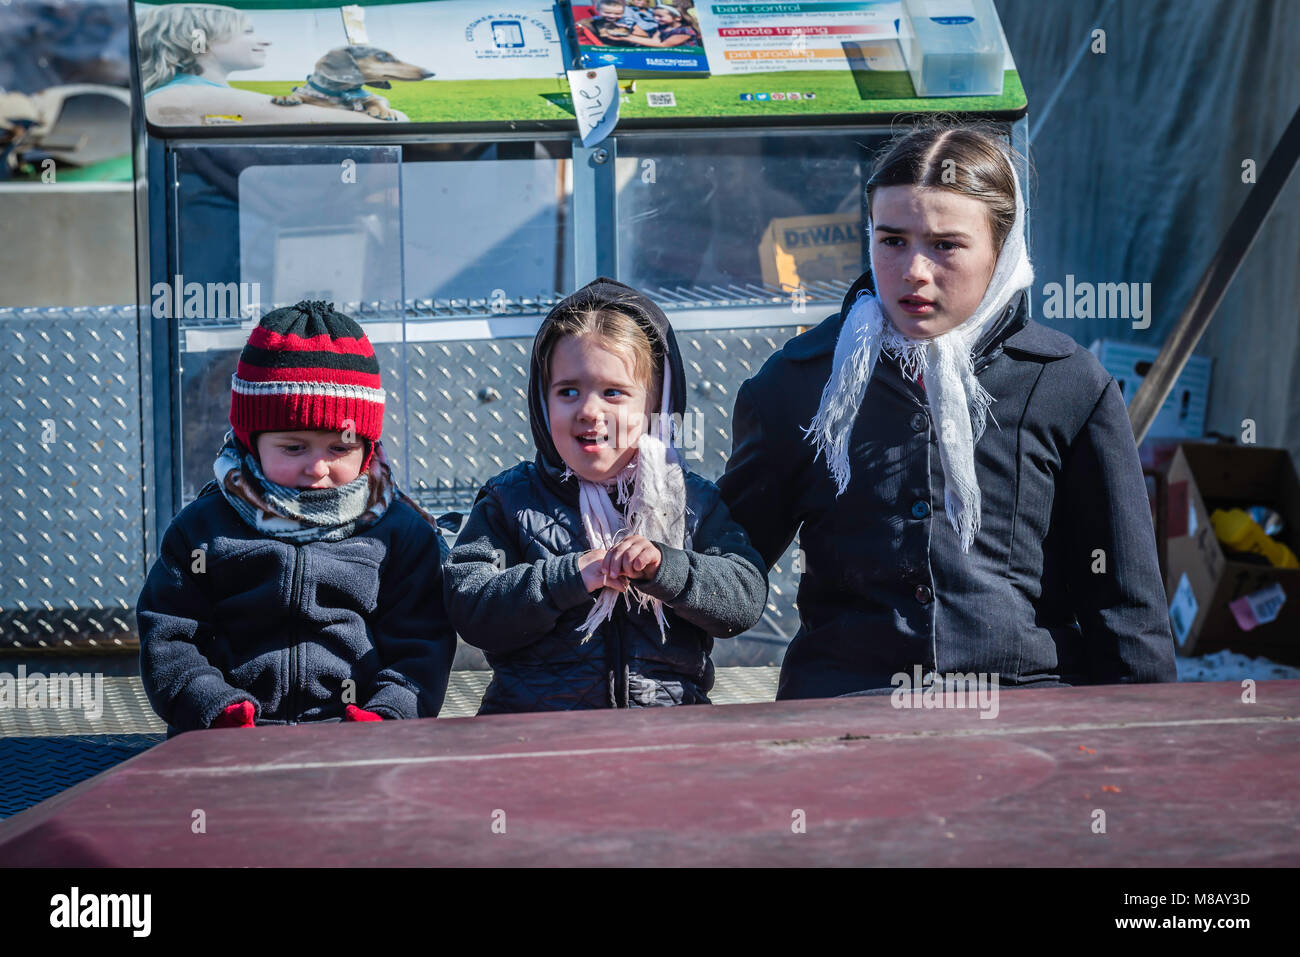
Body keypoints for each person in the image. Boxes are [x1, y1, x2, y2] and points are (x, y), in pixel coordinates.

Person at [717, 121, 1178, 700]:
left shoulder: (1067, 386)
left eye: (945, 245)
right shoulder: (797, 385)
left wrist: (1144, 741)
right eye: (892, 241)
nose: (914, 271)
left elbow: (1125, 604)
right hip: (843, 715)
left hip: (1024, 711)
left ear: (1001, 250)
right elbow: (726, 571)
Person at [444, 277, 768, 713]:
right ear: (542, 403)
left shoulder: (692, 501)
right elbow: (472, 607)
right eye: (567, 391)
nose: (588, 411)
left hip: (666, 737)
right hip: (533, 741)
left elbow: (742, 598)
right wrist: (568, 578)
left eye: (613, 392)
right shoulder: (510, 500)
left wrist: (665, 567)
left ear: (655, 405)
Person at [138, 300, 456, 733]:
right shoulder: (204, 529)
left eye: (339, 448)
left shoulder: (399, 534)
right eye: (294, 448)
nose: (317, 467)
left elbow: (420, 645)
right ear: (251, 442)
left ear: (366, 448)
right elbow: (170, 636)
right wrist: (213, 709)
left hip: (357, 740)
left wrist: (387, 717)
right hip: (228, 741)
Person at [136, 3, 405, 124]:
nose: (264, 41)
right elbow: (389, 124)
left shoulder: (189, 93)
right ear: (198, 39)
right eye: (248, 31)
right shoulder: (187, 97)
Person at [616, 4, 701, 48]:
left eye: (660, 16)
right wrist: (626, 36)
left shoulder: (686, 31)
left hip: (689, 58)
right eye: (655, 15)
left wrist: (626, 37)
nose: (656, 18)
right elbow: (654, 41)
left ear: (677, 18)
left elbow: (663, 44)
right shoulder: (661, 28)